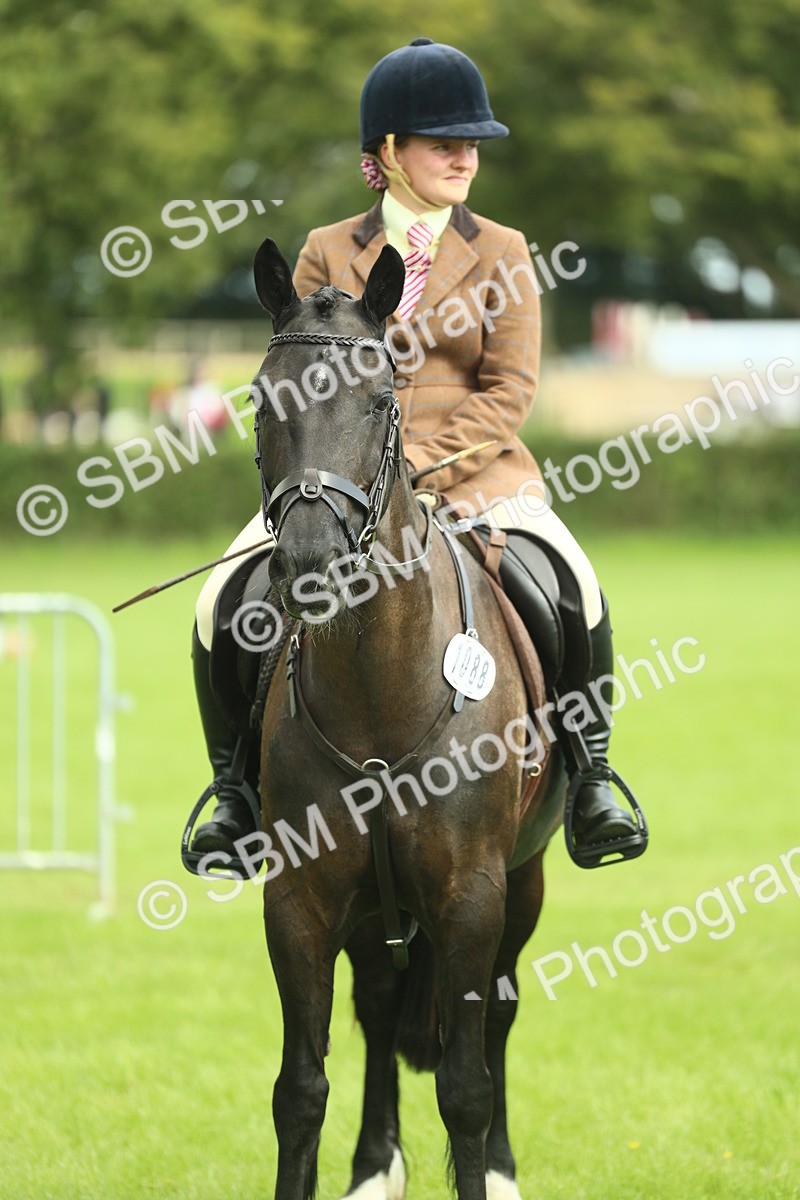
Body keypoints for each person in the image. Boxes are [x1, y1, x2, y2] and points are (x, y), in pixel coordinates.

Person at [184, 37, 645, 873]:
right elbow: (312, 380)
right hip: (341, 476)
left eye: (473, 145)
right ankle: (233, 794)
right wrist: (364, 474)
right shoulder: (328, 248)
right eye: (446, 143)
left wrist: (423, 465)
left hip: (480, 472)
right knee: (222, 594)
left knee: (573, 582)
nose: (465, 158)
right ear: (388, 153)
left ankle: (592, 778)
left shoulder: (503, 250)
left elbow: (509, 392)